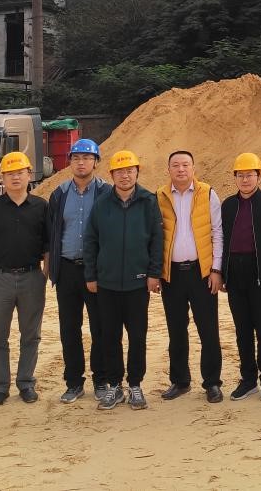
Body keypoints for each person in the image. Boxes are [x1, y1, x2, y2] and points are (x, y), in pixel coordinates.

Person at [84, 150, 163, 411]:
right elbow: (91, 240)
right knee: (109, 336)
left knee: (137, 337)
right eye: (120, 171)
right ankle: (115, 385)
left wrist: (153, 273)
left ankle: (135, 384)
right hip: (106, 284)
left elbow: (157, 240)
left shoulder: (148, 201)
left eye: (130, 170)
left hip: (138, 284)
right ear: (112, 175)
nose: (125, 175)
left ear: (137, 172)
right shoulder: (102, 203)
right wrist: (91, 275)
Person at [0, 151, 49, 407]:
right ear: (2, 178)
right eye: (10, 173)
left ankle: (26, 383)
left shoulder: (41, 207)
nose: (15, 177)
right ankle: (0, 387)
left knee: (31, 335)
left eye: (20, 172)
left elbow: (48, 246)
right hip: (0, 279)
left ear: (29, 175)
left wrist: (44, 276)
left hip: (31, 277)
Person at [157, 151, 225, 403]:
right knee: (176, 330)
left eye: (185, 164)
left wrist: (216, 270)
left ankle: (212, 382)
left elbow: (217, 232)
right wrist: (157, 272)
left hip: (202, 273)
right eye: (175, 165)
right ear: (168, 170)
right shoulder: (160, 196)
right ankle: (180, 381)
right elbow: (155, 236)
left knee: (208, 330)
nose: (181, 169)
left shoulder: (208, 193)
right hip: (172, 275)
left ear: (193, 168)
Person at [219, 152, 261, 402]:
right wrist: (222, 273)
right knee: (242, 329)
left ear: (259, 176)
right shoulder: (228, 205)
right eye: (240, 175)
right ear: (235, 177)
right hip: (234, 273)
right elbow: (220, 241)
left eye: (250, 175)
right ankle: (248, 379)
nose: (245, 179)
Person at [47, 138, 110, 405]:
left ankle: (101, 380)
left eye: (86, 158)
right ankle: (73, 382)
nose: (81, 162)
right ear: (69, 162)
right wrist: (51, 268)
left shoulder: (106, 193)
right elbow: (51, 232)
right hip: (67, 270)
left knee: (100, 327)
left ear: (96, 162)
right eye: (76, 158)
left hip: (96, 271)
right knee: (69, 328)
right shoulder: (59, 194)